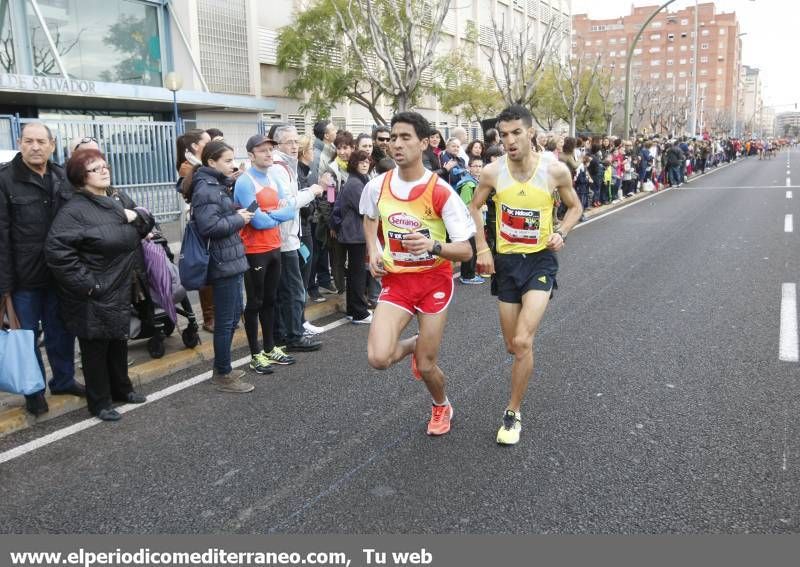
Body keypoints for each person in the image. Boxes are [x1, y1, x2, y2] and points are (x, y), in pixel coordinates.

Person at [467, 104, 582, 445]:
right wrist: (483, 248)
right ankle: (522, 362)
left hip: (540, 261)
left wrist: (562, 231)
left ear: (531, 132)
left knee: (522, 341)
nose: (509, 140)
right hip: (506, 264)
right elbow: (474, 207)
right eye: (503, 135)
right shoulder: (491, 173)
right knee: (511, 345)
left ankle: (513, 412)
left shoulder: (555, 171)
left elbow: (574, 206)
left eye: (516, 132)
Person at [360, 111, 475, 436]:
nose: (397, 144)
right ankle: (412, 344)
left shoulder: (441, 192)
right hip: (397, 281)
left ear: (424, 143)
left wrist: (432, 245)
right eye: (393, 137)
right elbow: (369, 218)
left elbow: (465, 251)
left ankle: (441, 406)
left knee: (426, 365)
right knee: (378, 358)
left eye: (405, 137)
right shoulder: (377, 186)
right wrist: (373, 248)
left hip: (433, 283)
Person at [46, 149, 153, 421]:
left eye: (105, 166)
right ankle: (100, 402)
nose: (104, 171)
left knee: (118, 340)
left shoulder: (116, 199)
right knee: (95, 349)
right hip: (93, 292)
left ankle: (122, 389)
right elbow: (57, 252)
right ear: (81, 177)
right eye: (96, 168)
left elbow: (145, 225)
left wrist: (136, 216)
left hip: (119, 286)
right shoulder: (74, 210)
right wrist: (90, 285)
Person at [0, 122, 85, 416]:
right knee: (26, 336)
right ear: (20, 144)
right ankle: (33, 390)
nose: (34, 147)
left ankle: (62, 380)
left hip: (60, 274)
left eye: (40, 141)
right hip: (24, 278)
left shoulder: (63, 176)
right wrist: (4, 283)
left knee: (61, 331)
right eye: (28, 141)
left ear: (51, 145)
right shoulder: (5, 180)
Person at [182, 140, 255, 393]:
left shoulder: (215, 185)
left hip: (230, 259)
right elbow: (209, 227)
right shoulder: (206, 188)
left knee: (233, 314)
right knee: (226, 321)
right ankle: (222, 373)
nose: (232, 165)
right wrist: (239, 218)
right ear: (211, 162)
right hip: (222, 261)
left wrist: (234, 210)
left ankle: (223, 366)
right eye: (226, 160)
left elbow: (217, 214)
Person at [234, 135, 298, 375]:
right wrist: (273, 214)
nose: (269, 154)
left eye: (270, 149)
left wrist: (269, 214)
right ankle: (255, 354)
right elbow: (257, 222)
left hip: (274, 247)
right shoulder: (245, 181)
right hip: (254, 251)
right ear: (251, 155)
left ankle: (270, 348)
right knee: (255, 302)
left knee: (271, 300)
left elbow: (290, 210)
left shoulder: (272, 176)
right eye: (262, 150)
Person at [269, 124, 325, 352]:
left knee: (289, 289)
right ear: (277, 144)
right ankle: (293, 336)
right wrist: (312, 191)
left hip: (290, 236)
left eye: (295, 142)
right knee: (293, 289)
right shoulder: (277, 167)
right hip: (284, 238)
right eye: (289, 142)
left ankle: (286, 333)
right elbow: (286, 204)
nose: (294, 146)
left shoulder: (285, 166)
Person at [176, 129, 215, 333]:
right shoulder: (188, 166)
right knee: (204, 268)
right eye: (206, 142)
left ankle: (217, 313)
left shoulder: (202, 164)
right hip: (199, 225)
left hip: (211, 220)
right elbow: (187, 192)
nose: (210, 145)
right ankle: (208, 317)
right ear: (194, 146)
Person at [331, 150, 372, 324]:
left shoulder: (358, 181)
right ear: (353, 164)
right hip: (354, 234)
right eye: (361, 162)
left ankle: (352, 310)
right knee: (357, 274)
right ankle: (359, 313)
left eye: (367, 161)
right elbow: (365, 209)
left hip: (353, 234)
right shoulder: (355, 183)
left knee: (355, 273)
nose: (365, 164)